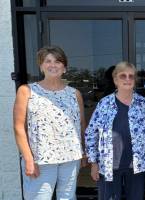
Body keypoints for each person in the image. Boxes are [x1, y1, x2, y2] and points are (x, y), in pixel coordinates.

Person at [13, 45, 86, 200]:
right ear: (41, 66)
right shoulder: (27, 91)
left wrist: (84, 153)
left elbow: (81, 125)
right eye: (48, 61)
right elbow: (19, 127)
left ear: (64, 68)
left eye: (58, 61)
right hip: (41, 159)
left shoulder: (75, 94)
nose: (53, 65)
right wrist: (28, 159)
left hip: (70, 158)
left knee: (67, 197)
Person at [85, 61, 145, 200]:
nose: (127, 79)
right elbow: (91, 133)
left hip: (138, 164)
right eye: (123, 76)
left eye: (131, 76)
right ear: (115, 80)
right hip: (109, 164)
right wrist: (93, 163)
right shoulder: (104, 103)